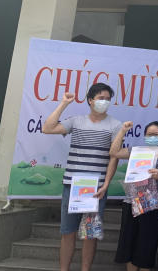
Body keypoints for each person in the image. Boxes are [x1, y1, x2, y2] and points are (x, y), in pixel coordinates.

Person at [42, 83, 122, 271]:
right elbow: (47, 128)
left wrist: (106, 185)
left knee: (90, 234)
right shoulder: (76, 121)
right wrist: (64, 103)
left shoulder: (116, 125)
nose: (104, 102)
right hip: (72, 186)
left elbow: (114, 157)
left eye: (108, 99)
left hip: (97, 189)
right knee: (68, 232)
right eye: (101, 98)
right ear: (90, 100)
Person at [111, 121, 158, 271]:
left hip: (152, 207)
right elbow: (114, 152)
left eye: (156, 134)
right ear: (144, 136)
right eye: (149, 134)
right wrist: (123, 131)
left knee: (147, 247)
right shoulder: (136, 151)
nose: (152, 137)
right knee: (129, 245)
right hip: (132, 203)